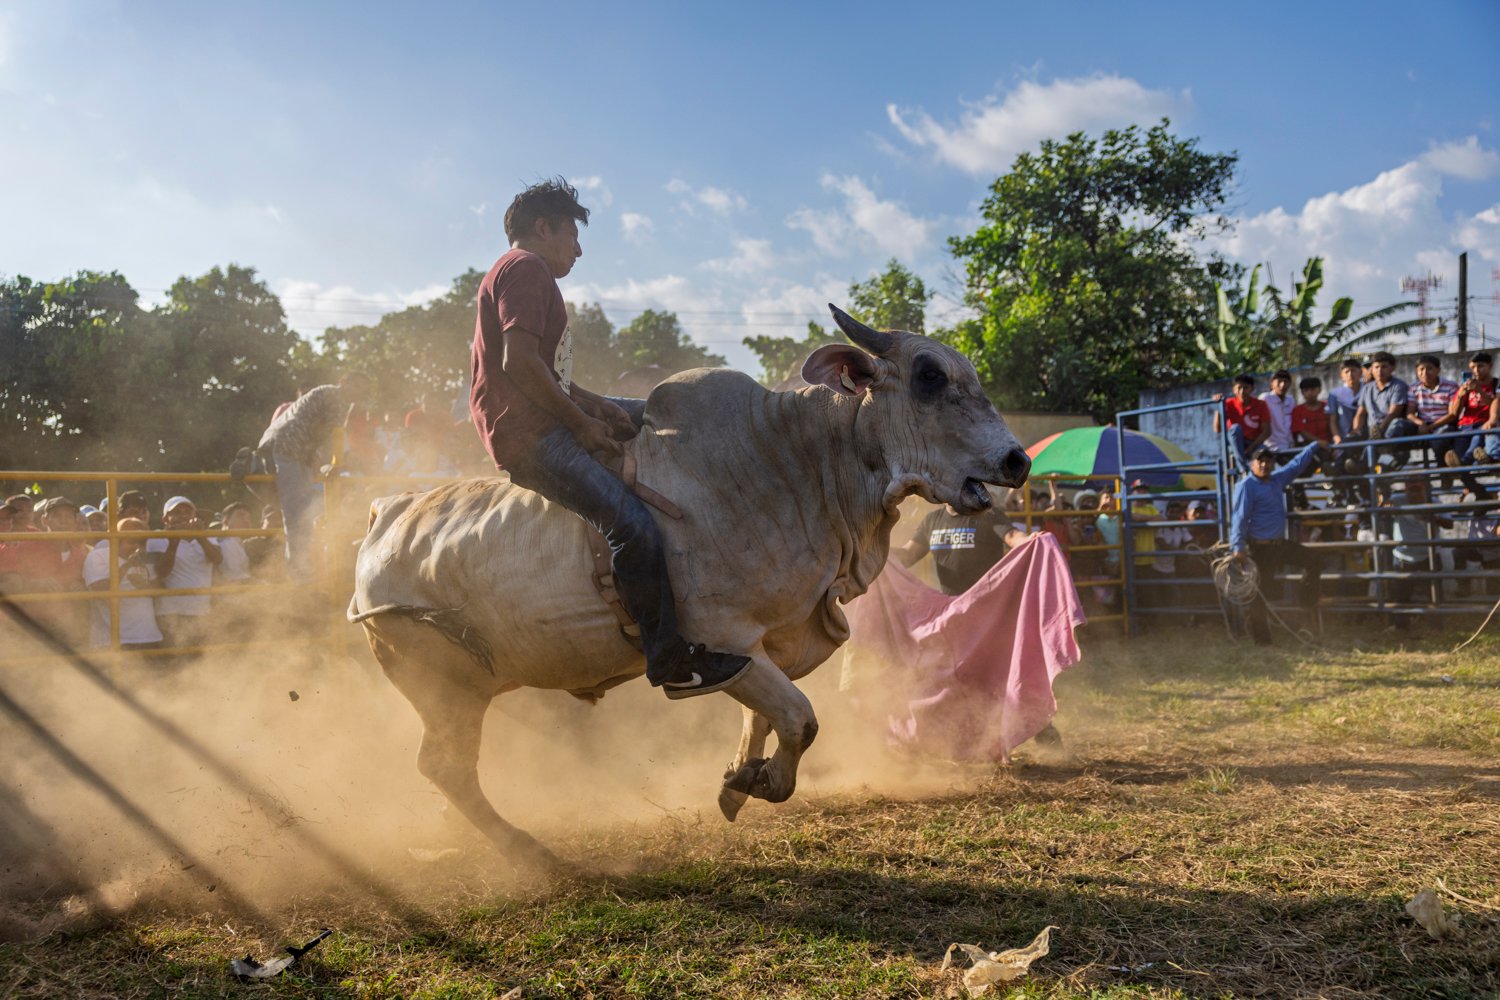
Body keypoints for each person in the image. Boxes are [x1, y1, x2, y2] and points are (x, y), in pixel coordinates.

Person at [469, 177, 748, 699]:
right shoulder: (525, 269)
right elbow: (519, 364)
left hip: (542, 419)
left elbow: (547, 374)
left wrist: (595, 404)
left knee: (662, 408)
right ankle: (670, 662)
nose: (578, 249)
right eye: (572, 234)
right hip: (530, 436)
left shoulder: (519, 272)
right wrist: (582, 425)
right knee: (633, 528)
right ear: (544, 227)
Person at [258, 371, 372, 579]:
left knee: (300, 510)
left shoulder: (331, 395)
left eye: (363, 389)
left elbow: (329, 434)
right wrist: (336, 464)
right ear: (344, 382)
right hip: (291, 449)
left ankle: (301, 570)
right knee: (297, 513)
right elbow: (334, 433)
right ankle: (298, 574)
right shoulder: (336, 397)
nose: (359, 392)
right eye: (357, 386)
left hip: (293, 450)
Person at [1229, 443, 1325, 645]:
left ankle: (1306, 600)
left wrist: (1314, 446)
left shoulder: (1276, 480)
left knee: (1314, 559)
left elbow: (1295, 466)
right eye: (1260, 461)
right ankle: (1262, 640)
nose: (1264, 464)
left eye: (1268, 461)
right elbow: (1239, 517)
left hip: (1278, 545)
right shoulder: (1246, 485)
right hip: (1260, 548)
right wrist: (1237, 547)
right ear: (1252, 464)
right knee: (1260, 593)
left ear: (1272, 464)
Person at [145, 496, 221, 647]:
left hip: (201, 610)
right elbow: (161, 573)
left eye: (188, 512)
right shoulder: (156, 537)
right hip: (170, 613)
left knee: (200, 657)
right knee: (174, 657)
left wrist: (200, 537)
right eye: (177, 512)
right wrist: (174, 542)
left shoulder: (206, 535)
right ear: (165, 519)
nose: (183, 516)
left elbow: (217, 560)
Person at [82, 516, 164, 651]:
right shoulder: (98, 556)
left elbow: (161, 589)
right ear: (117, 540)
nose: (137, 547)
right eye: (132, 541)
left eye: (142, 542)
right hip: (113, 639)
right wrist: (126, 566)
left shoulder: (144, 558)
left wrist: (145, 586)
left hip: (148, 636)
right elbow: (100, 591)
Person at [1349, 351, 1415, 472]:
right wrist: (1356, 430)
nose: (1380, 371)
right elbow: (1360, 414)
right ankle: (1348, 466)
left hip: (1392, 431)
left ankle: (1379, 458)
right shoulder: (1367, 388)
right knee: (1351, 438)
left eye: (1384, 367)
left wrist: (1379, 430)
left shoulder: (1398, 386)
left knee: (1396, 423)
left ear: (1392, 368)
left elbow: (1394, 412)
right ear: (1372, 369)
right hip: (1373, 432)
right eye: (1376, 367)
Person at [1447, 351, 1500, 468]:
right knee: (1458, 451)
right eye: (1473, 367)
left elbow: (1496, 404)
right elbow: (1455, 413)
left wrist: (1479, 391)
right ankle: (1462, 467)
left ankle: (1466, 462)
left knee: (1476, 441)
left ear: (1490, 366)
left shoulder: (1496, 384)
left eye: (1480, 366)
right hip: (1465, 426)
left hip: (1484, 424)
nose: (1476, 370)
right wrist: (1460, 396)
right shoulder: (1467, 385)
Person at [1408, 355, 1459, 465]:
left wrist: (1432, 426)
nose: (1425, 373)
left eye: (1429, 368)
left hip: (1444, 425)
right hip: (1423, 426)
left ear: (1438, 370)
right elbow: (1409, 413)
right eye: (1421, 369)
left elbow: (1452, 414)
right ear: (1417, 371)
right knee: (1401, 428)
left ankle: (1445, 470)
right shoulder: (1413, 388)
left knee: (1439, 439)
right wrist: (1421, 424)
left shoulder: (1451, 386)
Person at [1214, 374, 1271, 467]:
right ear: (1234, 389)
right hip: (1235, 444)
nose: (1242, 391)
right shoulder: (1228, 403)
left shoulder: (1261, 404)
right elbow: (1218, 429)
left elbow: (1267, 431)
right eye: (1239, 388)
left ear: (1252, 388)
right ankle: (1243, 468)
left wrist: (1251, 448)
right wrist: (1219, 406)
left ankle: (1252, 472)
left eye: (1246, 388)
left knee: (1264, 452)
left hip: (1254, 443)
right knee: (1235, 428)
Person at [1259, 369, 1296, 453]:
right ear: (1272, 383)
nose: (1282, 385)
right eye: (1279, 382)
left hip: (1290, 446)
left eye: (1285, 381)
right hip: (1271, 448)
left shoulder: (1290, 400)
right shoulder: (1265, 398)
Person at [1327, 359, 1364, 442]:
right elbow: (1332, 420)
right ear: (1341, 375)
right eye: (1346, 372)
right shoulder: (1334, 394)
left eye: (1353, 370)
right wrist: (1337, 438)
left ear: (1360, 373)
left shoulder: (1368, 389)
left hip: (1367, 438)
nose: (1350, 374)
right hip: (1344, 439)